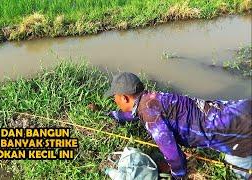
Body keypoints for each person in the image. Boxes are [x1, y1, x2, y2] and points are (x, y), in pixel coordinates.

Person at [104, 72, 252, 179]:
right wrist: (116, 115)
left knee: (239, 173)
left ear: (124, 97)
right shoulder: (151, 98)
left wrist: (178, 175)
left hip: (238, 132)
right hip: (238, 110)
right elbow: (136, 113)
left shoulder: (151, 117)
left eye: (115, 99)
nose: (115, 101)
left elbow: (173, 153)